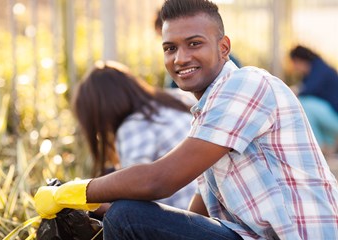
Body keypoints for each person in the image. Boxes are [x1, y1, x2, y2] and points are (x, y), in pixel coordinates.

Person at [34, 0, 338, 239]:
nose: (180, 58)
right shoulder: (206, 114)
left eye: (194, 44)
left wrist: (72, 192)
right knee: (128, 217)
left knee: (126, 216)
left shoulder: (247, 85)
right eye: (170, 48)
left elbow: (159, 180)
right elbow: (198, 215)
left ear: (223, 47)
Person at [70, 60, 196, 210]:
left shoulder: (134, 126)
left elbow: (134, 194)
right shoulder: (176, 98)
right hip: (212, 209)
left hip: (187, 216)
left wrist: (89, 204)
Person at [289, 45, 338, 152]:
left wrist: (291, 90)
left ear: (299, 60)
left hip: (335, 118)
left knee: (303, 104)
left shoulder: (319, 69)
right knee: (310, 107)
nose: (294, 67)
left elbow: (306, 90)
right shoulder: (316, 68)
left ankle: (318, 147)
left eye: (294, 63)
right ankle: (327, 147)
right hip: (332, 116)